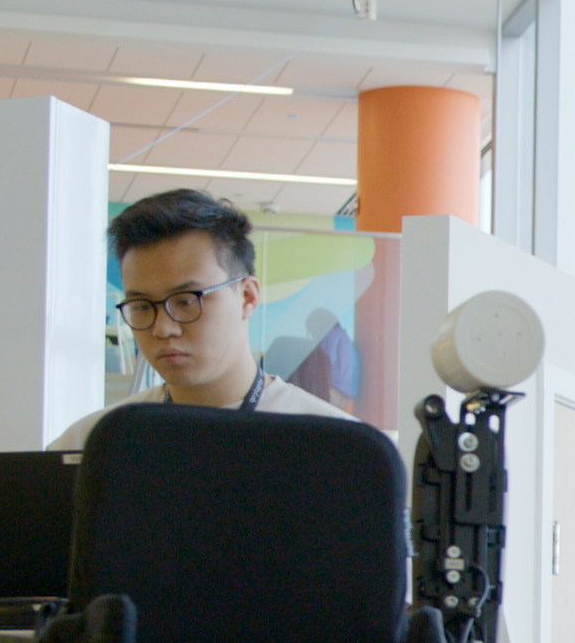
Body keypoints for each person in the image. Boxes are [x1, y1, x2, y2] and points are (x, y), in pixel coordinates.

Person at [51, 190, 354, 449]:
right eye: (142, 305)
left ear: (247, 297)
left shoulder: (333, 445)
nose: (162, 328)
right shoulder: (92, 446)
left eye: (185, 301)